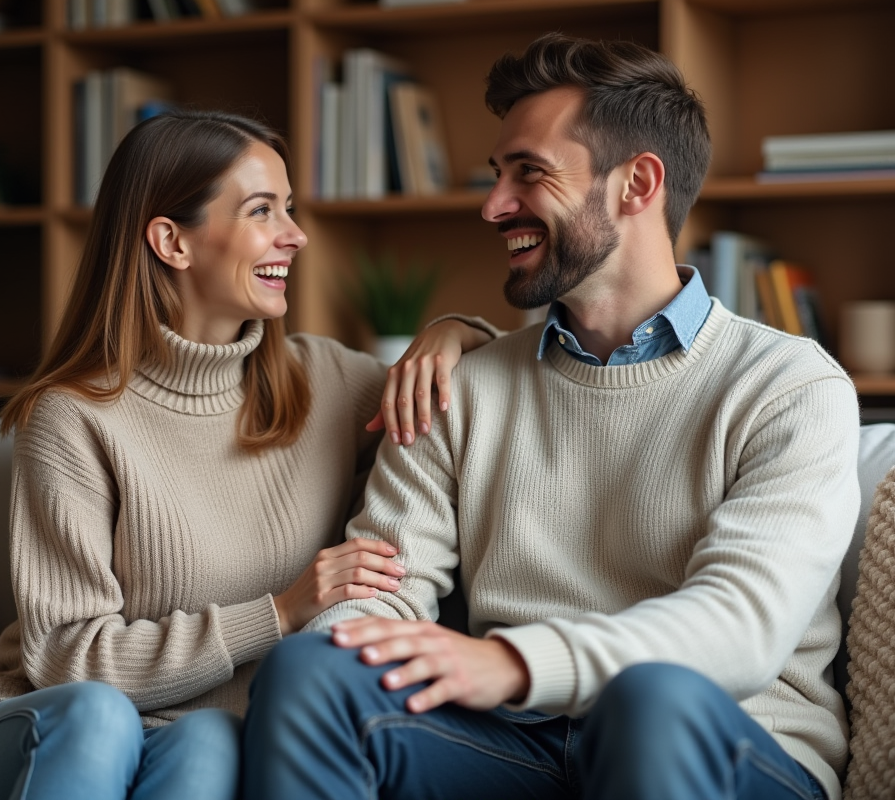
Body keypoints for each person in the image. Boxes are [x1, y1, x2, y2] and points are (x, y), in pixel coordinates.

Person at [240, 33, 861, 800]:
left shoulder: (789, 386)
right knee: (312, 671)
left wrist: (512, 661)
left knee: (650, 700)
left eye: (528, 173)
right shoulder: (461, 385)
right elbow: (383, 585)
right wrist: (356, 647)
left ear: (637, 184)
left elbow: (742, 626)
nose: (494, 206)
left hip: (726, 740)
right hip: (516, 744)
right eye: (497, 175)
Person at [0, 109, 498, 800]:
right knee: (103, 720)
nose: (296, 235)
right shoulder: (72, 416)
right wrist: (280, 612)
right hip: (42, 724)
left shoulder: (325, 380)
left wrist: (449, 331)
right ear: (172, 241)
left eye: (289, 207)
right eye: (262, 210)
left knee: (211, 740)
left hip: (189, 731)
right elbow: (66, 657)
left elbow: (504, 385)